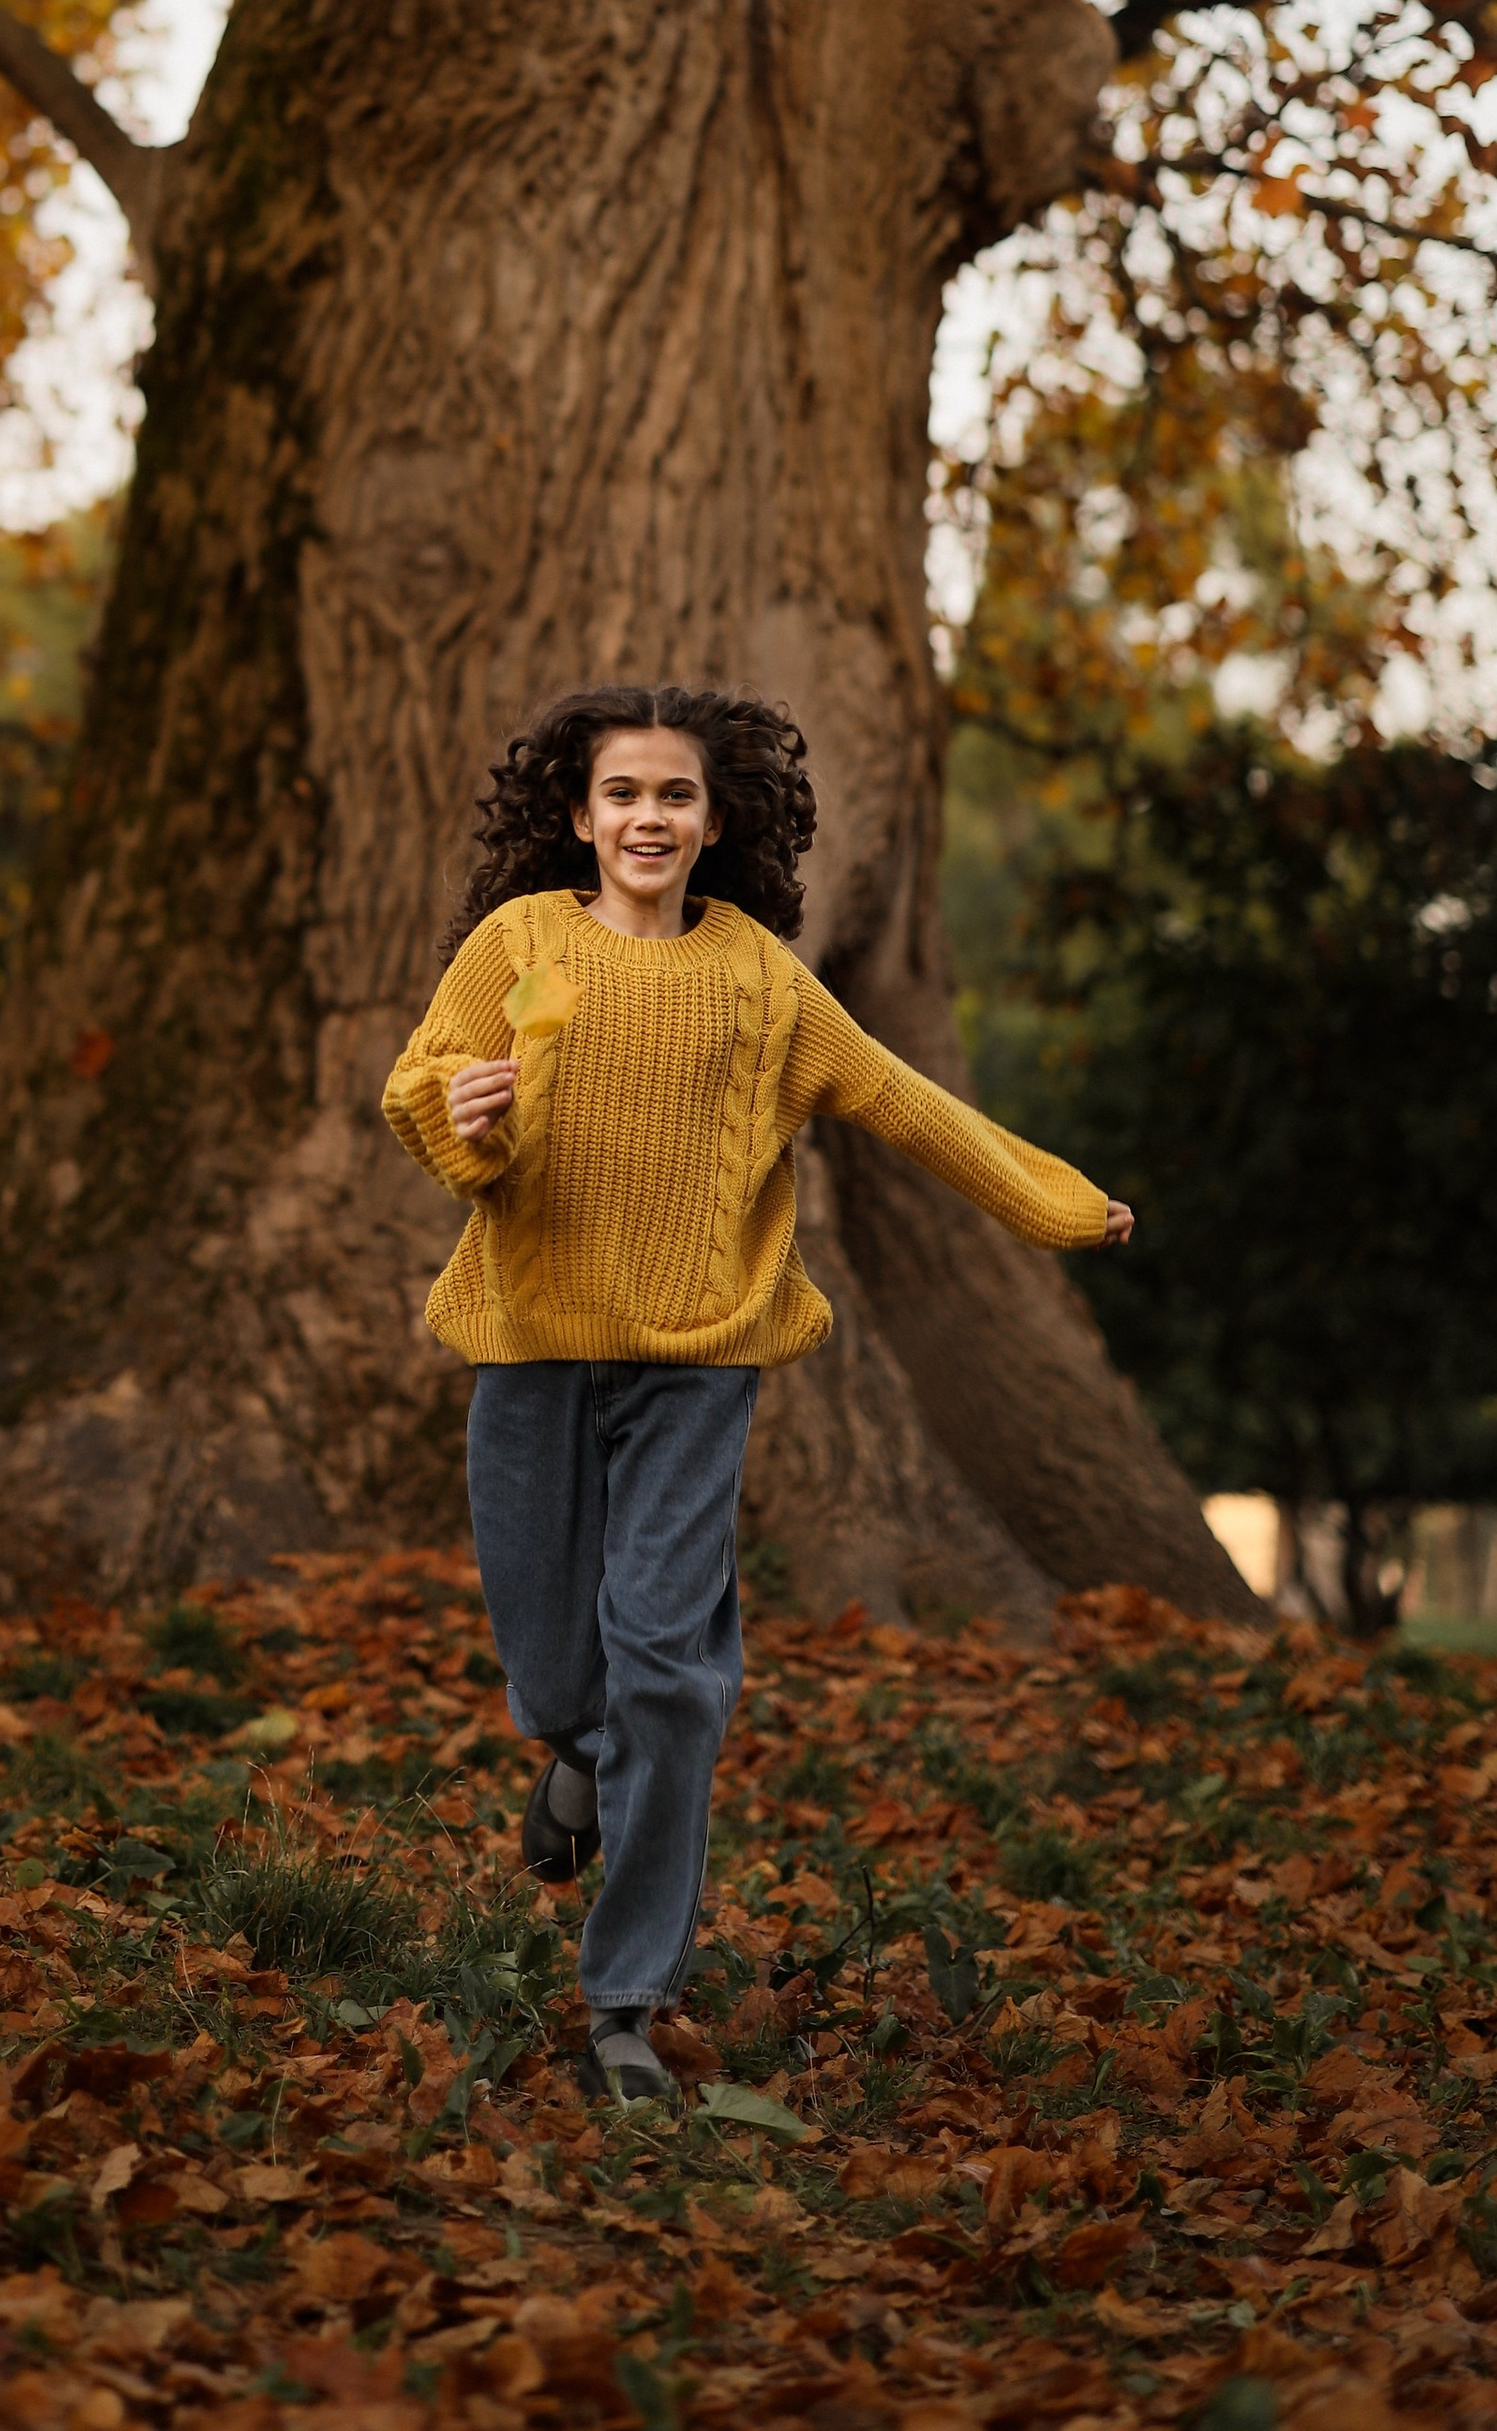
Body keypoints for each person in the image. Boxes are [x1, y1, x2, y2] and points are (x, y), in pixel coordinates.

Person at [381, 683, 1134, 2106]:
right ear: (578, 815)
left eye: (675, 796)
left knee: (668, 1668)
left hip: (696, 1366)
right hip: (533, 1345)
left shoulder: (760, 983)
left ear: (718, 821)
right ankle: (572, 1755)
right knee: (553, 1667)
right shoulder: (523, 944)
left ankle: (626, 2001)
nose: (648, 817)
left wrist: (1060, 1204)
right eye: (622, 795)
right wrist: (457, 1111)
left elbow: (910, 1103)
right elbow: (425, 1083)